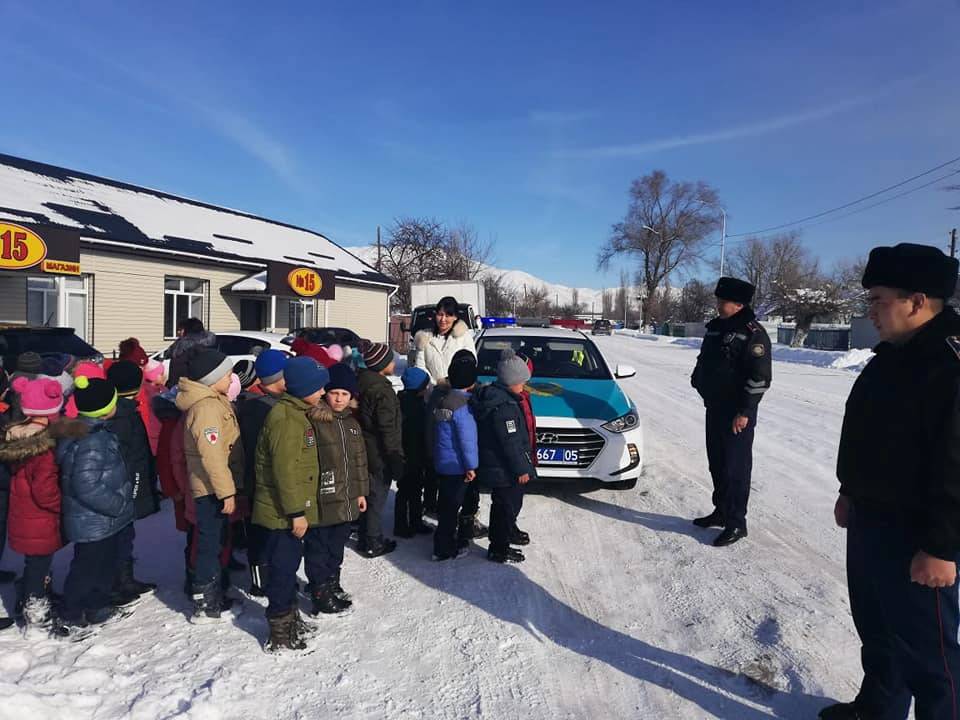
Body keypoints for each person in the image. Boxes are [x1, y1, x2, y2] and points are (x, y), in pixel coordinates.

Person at [820, 244, 960, 720]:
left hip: (917, 535)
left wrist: (941, 546)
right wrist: (848, 491)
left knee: (932, 658)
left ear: (917, 301)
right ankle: (877, 711)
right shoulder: (893, 355)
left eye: (878, 300)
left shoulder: (949, 364)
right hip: (871, 519)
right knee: (879, 634)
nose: (870, 312)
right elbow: (866, 433)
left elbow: (955, 464)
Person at [252, 356, 329, 651]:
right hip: (281, 514)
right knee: (283, 570)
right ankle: (280, 632)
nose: (323, 393)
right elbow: (285, 472)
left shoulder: (297, 413)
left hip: (289, 510)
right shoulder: (286, 420)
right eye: (318, 388)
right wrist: (296, 512)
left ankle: (291, 617)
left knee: (289, 564)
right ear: (301, 388)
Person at [690, 277, 772, 547]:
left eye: (721, 301)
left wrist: (745, 411)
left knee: (736, 467)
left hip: (737, 413)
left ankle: (737, 522)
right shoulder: (715, 328)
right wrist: (698, 379)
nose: (717, 304)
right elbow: (705, 360)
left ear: (738, 304)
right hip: (714, 407)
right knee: (717, 462)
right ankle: (722, 510)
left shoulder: (753, 333)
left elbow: (759, 376)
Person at [54, 375, 135, 638]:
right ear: (105, 408)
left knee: (104, 565)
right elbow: (85, 484)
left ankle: (97, 605)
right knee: (87, 569)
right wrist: (117, 504)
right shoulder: (91, 440)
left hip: (105, 521)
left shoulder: (95, 431)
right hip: (94, 520)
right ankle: (70, 614)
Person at [176, 349, 244, 623]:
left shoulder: (214, 400)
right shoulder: (205, 409)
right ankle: (205, 603)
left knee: (215, 542)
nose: (231, 379)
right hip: (211, 490)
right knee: (209, 545)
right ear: (211, 379)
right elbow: (212, 454)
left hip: (216, 486)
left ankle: (214, 593)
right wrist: (226, 491)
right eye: (227, 375)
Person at [0, 376, 67, 629]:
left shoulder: (17, 434)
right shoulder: (43, 447)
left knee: (35, 562)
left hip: (23, 513)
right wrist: (61, 505)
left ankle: (34, 595)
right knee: (39, 563)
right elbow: (44, 488)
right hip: (39, 517)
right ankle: (36, 611)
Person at [304, 363, 369, 613]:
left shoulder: (352, 423)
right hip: (324, 496)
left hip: (347, 497)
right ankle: (319, 589)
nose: (339, 399)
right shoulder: (315, 421)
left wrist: (361, 492)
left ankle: (332, 581)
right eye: (334, 393)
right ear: (325, 393)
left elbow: (360, 460)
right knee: (319, 546)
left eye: (345, 394)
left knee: (336, 545)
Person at [471, 349, 536, 564]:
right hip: (505, 469)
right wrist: (521, 469)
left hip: (499, 466)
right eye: (521, 382)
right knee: (505, 507)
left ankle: (503, 538)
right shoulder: (505, 407)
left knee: (505, 506)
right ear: (511, 382)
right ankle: (499, 548)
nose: (523, 387)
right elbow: (511, 444)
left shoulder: (502, 398)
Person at [106, 361, 159, 600]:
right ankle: (120, 581)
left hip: (120, 487)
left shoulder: (118, 411)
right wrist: (138, 489)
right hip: (125, 487)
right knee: (121, 534)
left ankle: (120, 576)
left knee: (121, 534)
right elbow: (134, 457)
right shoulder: (125, 417)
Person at [237, 350, 288, 596]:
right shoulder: (263, 408)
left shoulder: (254, 403)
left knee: (267, 533)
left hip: (257, 481)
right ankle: (260, 582)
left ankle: (271, 576)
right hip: (258, 482)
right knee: (261, 534)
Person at [430, 353, 479, 561]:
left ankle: (443, 542)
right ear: (471, 383)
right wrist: (471, 466)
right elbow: (466, 440)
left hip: (443, 462)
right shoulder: (463, 407)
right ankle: (444, 548)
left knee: (446, 506)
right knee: (452, 508)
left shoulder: (444, 401)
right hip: (457, 465)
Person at [356, 341, 403, 558]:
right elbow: (388, 428)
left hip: (364, 446)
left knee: (368, 492)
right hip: (378, 451)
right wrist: (394, 456)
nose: (394, 362)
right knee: (377, 495)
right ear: (382, 364)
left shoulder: (362, 382)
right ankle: (372, 540)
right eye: (391, 359)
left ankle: (365, 533)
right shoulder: (382, 391)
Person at [395, 367, 432, 538]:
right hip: (413, 455)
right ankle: (407, 524)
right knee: (412, 491)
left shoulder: (400, 400)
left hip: (404, 454)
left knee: (407, 491)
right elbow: (420, 434)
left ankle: (408, 522)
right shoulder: (417, 408)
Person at [413, 296, 477, 386]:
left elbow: (470, 364)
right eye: (440, 314)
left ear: (455, 317)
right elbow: (420, 368)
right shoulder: (424, 338)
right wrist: (435, 385)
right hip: (432, 393)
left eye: (447, 315)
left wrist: (454, 384)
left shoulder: (463, 336)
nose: (443, 319)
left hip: (459, 392)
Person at [167, 318, 217, 388]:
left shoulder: (181, 349)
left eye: (180, 329)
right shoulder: (211, 347)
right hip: (206, 389)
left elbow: (176, 375)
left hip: (184, 389)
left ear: (187, 330)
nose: (178, 332)